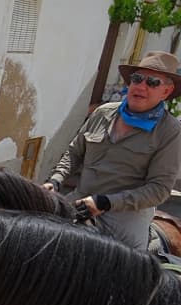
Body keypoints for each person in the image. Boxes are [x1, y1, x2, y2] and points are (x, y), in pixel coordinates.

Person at [44, 50, 181, 250]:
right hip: (80, 200)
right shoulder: (103, 112)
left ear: (166, 92)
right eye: (137, 78)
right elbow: (74, 152)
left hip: (124, 216)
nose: (141, 86)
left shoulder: (169, 131)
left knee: (126, 265)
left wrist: (105, 202)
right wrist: (55, 180)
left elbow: (159, 189)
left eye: (152, 82)